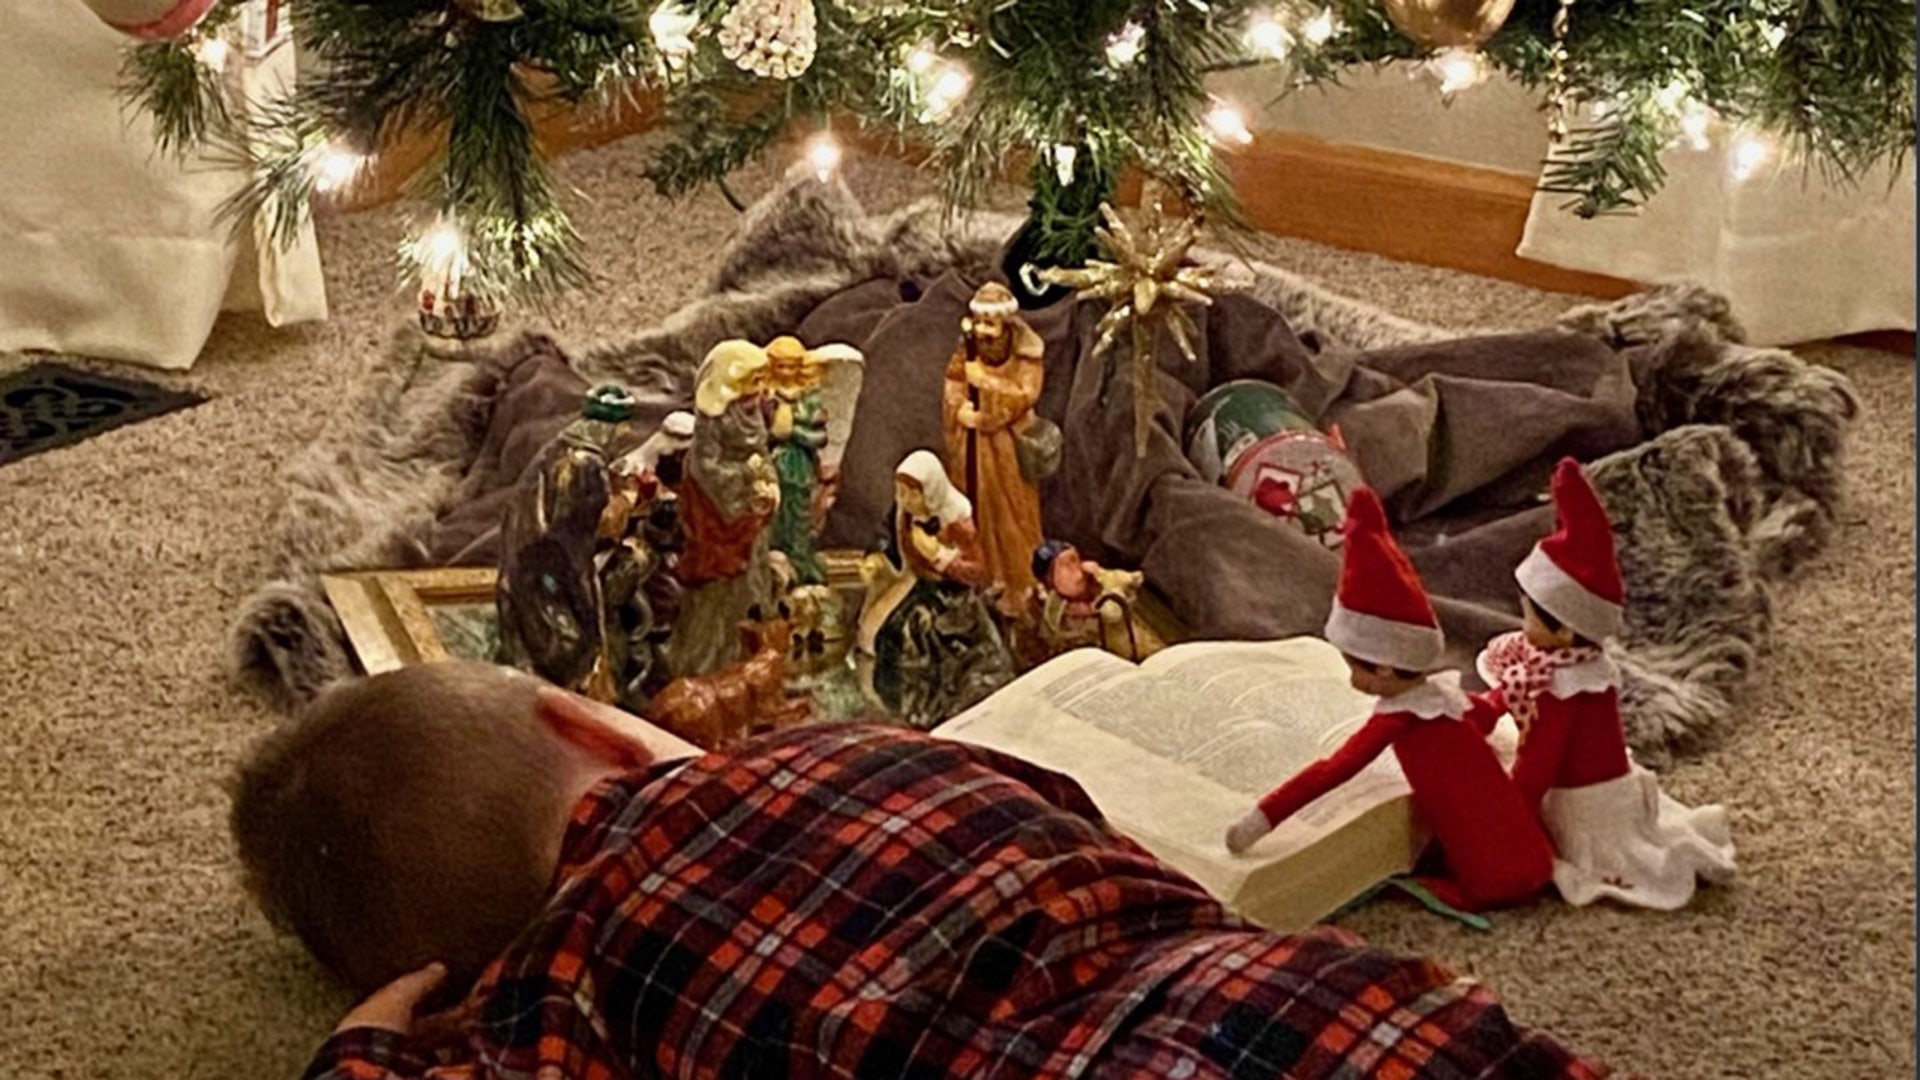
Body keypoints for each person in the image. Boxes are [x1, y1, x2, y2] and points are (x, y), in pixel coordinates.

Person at [234, 661, 1613, 1080]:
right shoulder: (858, 748)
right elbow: (1076, 823)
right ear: (589, 727)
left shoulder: (557, 996)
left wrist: (364, 1048)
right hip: (1287, 1004)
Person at [1224, 487, 1555, 914]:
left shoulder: (1398, 720)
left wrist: (1260, 819)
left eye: (1354, 666)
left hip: (1487, 874)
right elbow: (1486, 713)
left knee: (1473, 838)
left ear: (1382, 667)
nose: (1352, 679)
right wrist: (1510, 688)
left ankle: (1485, 885)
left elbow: (1332, 771)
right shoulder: (1448, 701)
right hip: (1532, 856)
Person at [1476, 457, 1736, 909]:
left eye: (1528, 616)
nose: (1522, 625)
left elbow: (1541, 761)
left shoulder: (1563, 688)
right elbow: (1512, 693)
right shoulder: (1584, 668)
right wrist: (1483, 709)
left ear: (1563, 629)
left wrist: (1510, 811)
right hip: (1613, 786)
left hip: (1584, 803)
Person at [943, 281, 1047, 615]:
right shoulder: (968, 346)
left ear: (1006, 323)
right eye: (979, 322)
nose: (983, 331)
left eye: (990, 324)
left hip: (1007, 443)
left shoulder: (1026, 352)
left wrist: (987, 386)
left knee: (1011, 510)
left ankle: (1017, 579)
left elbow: (1026, 393)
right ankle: (983, 573)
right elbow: (954, 380)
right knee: (976, 504)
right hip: (973, 444)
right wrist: (959, 408)